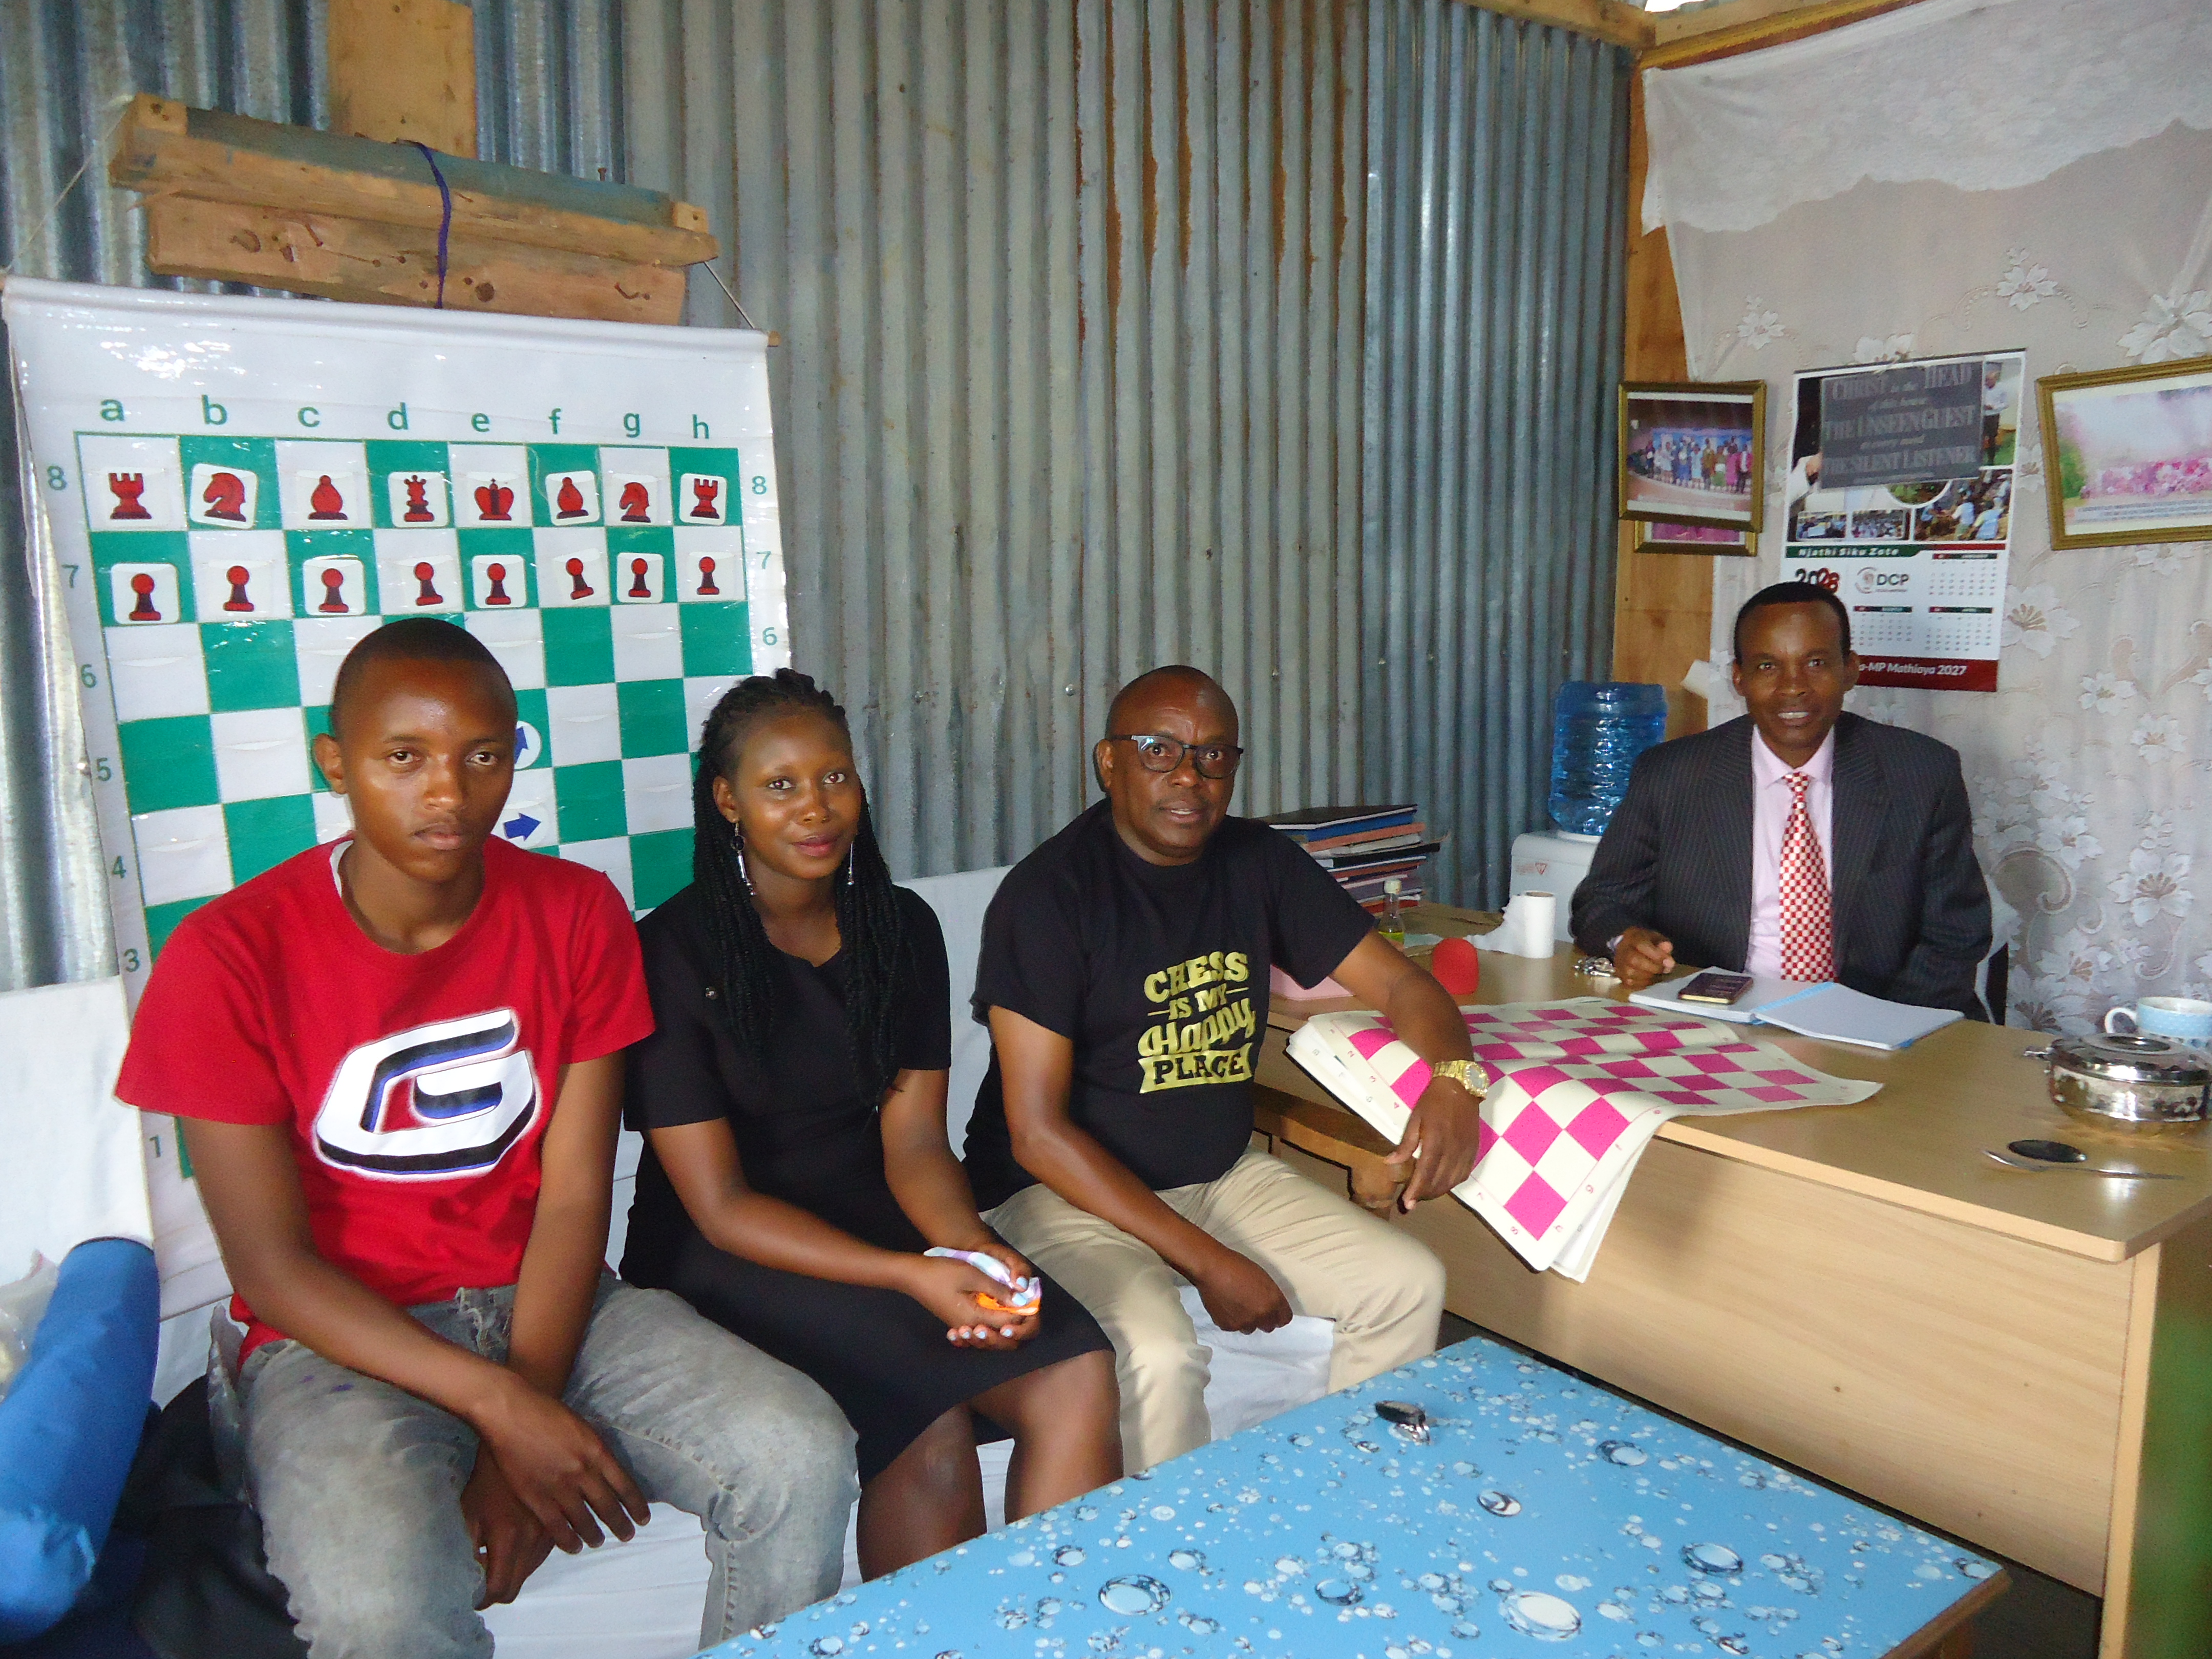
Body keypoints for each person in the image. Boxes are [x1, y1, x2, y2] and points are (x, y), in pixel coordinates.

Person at [113, 620, 857, 1659]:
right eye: (403, 757)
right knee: (378, 1605)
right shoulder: (228, 956)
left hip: (550, 1303)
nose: (449, 794)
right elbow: (271, 1271)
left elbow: (573, 1197)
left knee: (799, 1453)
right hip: (337, 1339)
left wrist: (522, 1424)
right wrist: (501, 1411)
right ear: (336, 763)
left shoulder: (575, 912)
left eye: (482, 758)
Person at [621, 670, 1121, 1579]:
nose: (816, 808)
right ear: (728, 801)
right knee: (927, 1418)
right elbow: (720, 1206)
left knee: (1077, 1371)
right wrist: (910, 1275)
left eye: (835, 778)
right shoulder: (671, 952)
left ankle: (1058, 1630)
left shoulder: (901, 927)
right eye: (780, 785)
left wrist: (973, 1253)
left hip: (880, 1207)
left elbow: (916, 1142)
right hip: (727, 1246)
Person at [964, 666, 1478, 1473]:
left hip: (1215, 1177)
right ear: (1109, 762)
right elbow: (1036, 1135)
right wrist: (1207, 1260)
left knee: (1406, 1282)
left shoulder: (1256, 860)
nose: (1188, 776)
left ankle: (1355, 1504)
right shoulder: (1049, 897)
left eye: (1212, 755)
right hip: (1057, 1194)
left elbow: (1405, 986)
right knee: (1159, 1353)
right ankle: (1168, 1549)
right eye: (1159, 750)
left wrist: (1455, 1079)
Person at [1572, 583, 1991, 1017]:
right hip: (1717, 1014)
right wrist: (1625, 941)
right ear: (1739, 678)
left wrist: (1884, 1024)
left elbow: (1956, 932)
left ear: (1850, 670)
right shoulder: (1672, 775)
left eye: (1816, 663)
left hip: (1877, 1015)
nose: (1794, 687)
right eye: (1768, 666)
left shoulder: (1921, 774)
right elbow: (1601, 901)